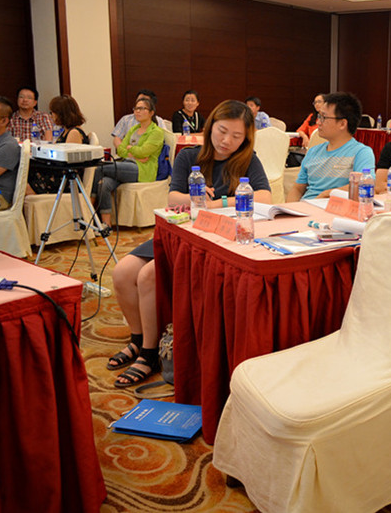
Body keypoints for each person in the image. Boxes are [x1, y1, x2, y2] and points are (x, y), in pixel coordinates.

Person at [108, 99, 272, 388]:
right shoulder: (189, 156)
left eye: (237, 136)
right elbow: (173, 198)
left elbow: (265, 197)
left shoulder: (247, 160)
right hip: (183, 232)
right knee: (122, 272)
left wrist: (218, 202)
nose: (227, 141)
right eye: (222, 131)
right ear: (210, 127)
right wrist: (196, 200)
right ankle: (137, 339)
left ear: (246, 138)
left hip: (218, 237)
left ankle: (149, 352)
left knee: (148, 275)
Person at [286, 91, 375, 201]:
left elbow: (364, 184)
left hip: (333, 207)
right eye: (319, 116)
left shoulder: (361, 152)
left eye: (324, 117)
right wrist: (290, 208)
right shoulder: (313, 151)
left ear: (342, 124)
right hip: (306, 206)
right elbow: (297, 189)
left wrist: (329, 193)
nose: (318, 122)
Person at [93, 96, 164, 226]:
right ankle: (106, 225)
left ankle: (89, 210)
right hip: (127, 165)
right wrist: (134, 154)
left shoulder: (157, 132)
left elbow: (143, 152)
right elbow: (120, 150)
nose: (138, 111)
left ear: (151, 112)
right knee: (104, 184)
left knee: (99, 168)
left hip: (143, 170)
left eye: (142, 108)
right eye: (136, 108)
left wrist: (131, 149)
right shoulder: (134, 129)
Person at [27, 94, 90, 195]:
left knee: (27, 181)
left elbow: (67, 161)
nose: (51, 116)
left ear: (61, 114)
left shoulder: (74, 132)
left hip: (67, 179)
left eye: (52, 113)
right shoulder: (65, 131)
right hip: (61, 173)